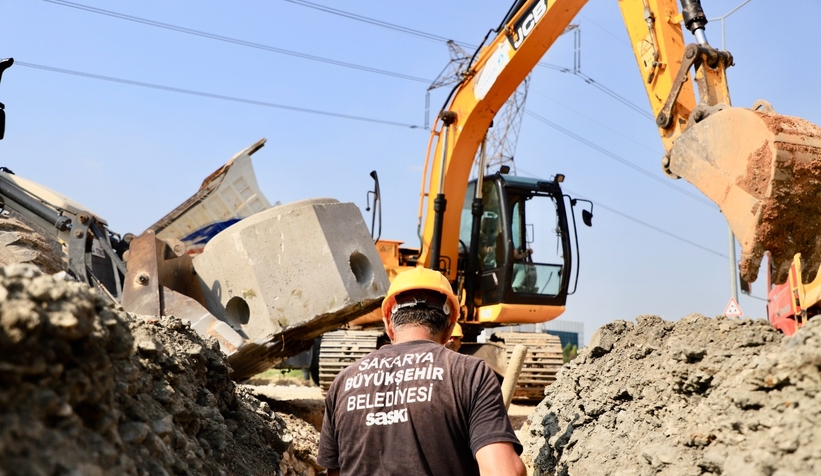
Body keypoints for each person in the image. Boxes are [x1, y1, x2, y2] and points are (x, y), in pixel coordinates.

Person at [318, 267, 525, 476]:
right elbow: (505, 472)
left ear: (388, 324)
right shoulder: (470, 373)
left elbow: (334, 473)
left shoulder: (343, 382)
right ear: (450, 328)